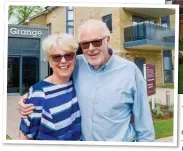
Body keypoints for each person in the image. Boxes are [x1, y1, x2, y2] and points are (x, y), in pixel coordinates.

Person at [18, 19, 155, 142]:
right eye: (84, 44)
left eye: (96, 42)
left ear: (108, 40)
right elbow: (57, 76)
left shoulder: (130, 71)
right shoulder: (76, 63)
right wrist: (32, 96)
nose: (91, 49)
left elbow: (144, 127)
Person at [18, 33, 81, 140]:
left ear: (75, 57)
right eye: (56, 57)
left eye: (68, 55)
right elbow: (24, 137)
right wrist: (30, 96)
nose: (63, 61)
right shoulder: (39, 93)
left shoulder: (76, 81)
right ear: (49, 62)